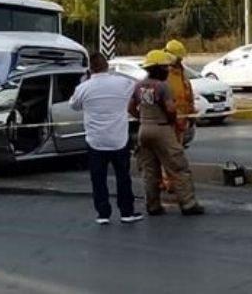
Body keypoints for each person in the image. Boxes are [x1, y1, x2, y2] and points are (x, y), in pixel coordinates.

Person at [128, 50, 205, 217]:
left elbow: (130, 108)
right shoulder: (162, 86)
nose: (168, 70)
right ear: (158, 68)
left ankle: (153, 205)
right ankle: (188, 204)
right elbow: (170, 108)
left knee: (150, 170)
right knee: (178, 166)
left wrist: (142, 118)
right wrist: (171, 120)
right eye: (165, 67)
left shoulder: (139, 86)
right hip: (162, 128)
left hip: (144, 130)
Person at [69, 52, 143, 225]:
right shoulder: (123, 83)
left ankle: (103, 214)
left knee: (98, 178)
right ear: (107, 66)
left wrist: (84, 83)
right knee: (123, 177)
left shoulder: (84, 88)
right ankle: (127, 212)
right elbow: (137, 90)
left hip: (95, 140)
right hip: (119, 139)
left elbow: (73, 105)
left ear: (90, 69)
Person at [161, 39, 196, 193]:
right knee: (170, 155)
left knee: (177, 153)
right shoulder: (164, 74)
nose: (181, 59)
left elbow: (188, 93)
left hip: (181, 122)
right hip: (168, 121)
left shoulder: (181, 73)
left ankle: (172, 181)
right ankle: (169, 182)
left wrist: (191, 113)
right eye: (179, 57)